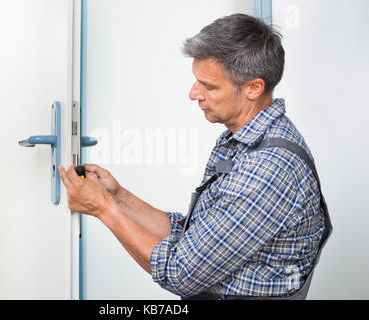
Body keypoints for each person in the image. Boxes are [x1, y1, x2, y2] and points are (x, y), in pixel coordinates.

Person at [59, 14, 330, 300]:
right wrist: (117, 197)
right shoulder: (242, 139)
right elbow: (194, 238)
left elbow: (181, 272)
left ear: (253, 88)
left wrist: (103, 209)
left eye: (209, 86)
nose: (193, 93)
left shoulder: (268, 168)